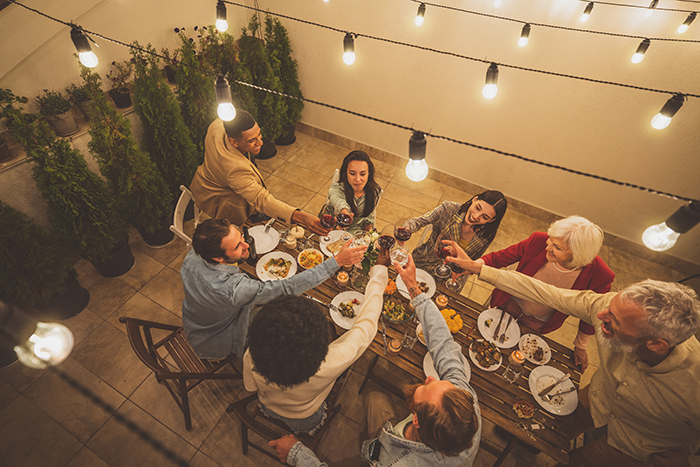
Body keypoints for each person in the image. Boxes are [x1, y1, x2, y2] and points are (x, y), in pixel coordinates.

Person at [448, 244, 700, 467]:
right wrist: (478, 268)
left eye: (614, 321)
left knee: (577, 462)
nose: (600, 317)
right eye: (608, 308)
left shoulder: (694, 385)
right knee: (553, 428)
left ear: (656, 344)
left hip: (636, 446)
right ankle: (532, 443)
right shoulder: (610, 308)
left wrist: (691, 460)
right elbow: (546, 292)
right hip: (597, 397)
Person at [268, 254, 482, 467]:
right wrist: (413, 287)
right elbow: (443, 344)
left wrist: (298, 455)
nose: (430, 377)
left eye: (428, 387)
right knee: (373, 397)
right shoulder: (463, 398)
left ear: (415, 419)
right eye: (441, 382)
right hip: (396, 435)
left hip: (383, 453)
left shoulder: (395, 463)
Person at [243, 248, 390, 434]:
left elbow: (250, 386)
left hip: (267, 404)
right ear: (320, 348)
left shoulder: (254, 352)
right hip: (305, 417)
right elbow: (367, 326)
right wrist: (379, 272)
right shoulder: (330, 364)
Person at [180, 218, 365, 360]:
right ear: (218, 258)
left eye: (241, 237)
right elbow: (285, 287)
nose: (246, 245)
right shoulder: (233, 290)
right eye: (237, 246)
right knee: (289, 317)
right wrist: (337, 262)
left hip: (195, 323)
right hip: (218, 340)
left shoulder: (194, 254)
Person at [477, 216, 614, 371]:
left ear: (577, 255)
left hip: (538, 321)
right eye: (551, 239)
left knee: (512, 356)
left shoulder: (601, 275)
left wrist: (580, 345)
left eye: (557, 247)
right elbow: (499, 258)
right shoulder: (538, 240)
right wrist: (474, 265)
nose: (547, 247)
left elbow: (591, 312)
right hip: (507, 302)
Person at [189, 112, 327, 234]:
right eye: (251, 140)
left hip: (205, 176)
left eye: (259, 134)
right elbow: (261, 199)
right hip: (220, 197)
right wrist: (302, 217)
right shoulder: (235, 170)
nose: (260, 142)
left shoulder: (218, 124)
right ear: (233, 141)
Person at [406, 190, 507, 292]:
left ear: (491, 220)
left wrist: (465, 272)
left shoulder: (487, 235)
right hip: (423, 262)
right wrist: (407, 229)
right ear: (474, 199)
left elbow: (474, 262)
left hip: (450, 277)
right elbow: (418, 222)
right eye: (477, 208)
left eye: (485, 217)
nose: (476, 216)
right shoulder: (449, 209)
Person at [327, 150, 382, 234]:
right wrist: (344, 212)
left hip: (356, 231)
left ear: (369, 173)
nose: (357, 179)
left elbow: (369, 213)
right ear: (346, 173)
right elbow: (338, 200)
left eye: (362, 174)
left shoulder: (375, 190)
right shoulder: (337, 188)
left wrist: (367, 224)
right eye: (352, 173)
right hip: (332, 226)